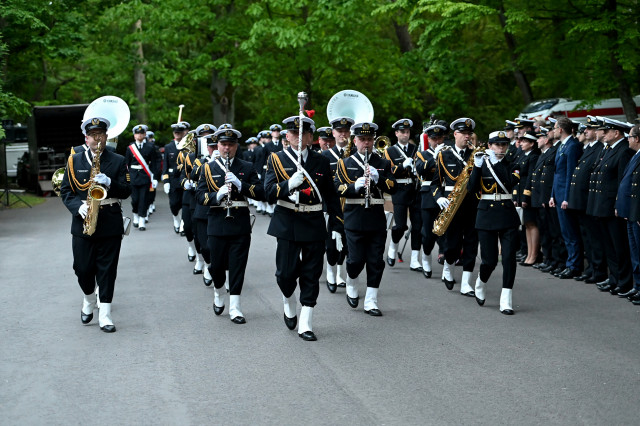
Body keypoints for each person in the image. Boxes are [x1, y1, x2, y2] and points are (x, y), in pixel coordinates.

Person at [264, 115, 343, 341]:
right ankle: (288, 300)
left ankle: (306, 322)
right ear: (287, 136)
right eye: (294, 134)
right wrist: (289, 184)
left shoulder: (320, 162)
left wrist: (337, 224)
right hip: (287, 221)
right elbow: (267, 192)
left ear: (310, 138)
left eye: (304, 134)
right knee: (285, 274)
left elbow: (331, 196)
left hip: (314, 222)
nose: (299, 138)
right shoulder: (277, 159)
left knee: (311, 273)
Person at [60, 117, 131, 332]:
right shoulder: (74, 161)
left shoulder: (118, 160)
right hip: (83, 221)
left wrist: (110, 183)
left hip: (109, 220)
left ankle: (106, 315)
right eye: (93, 135)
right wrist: (76, 207)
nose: (97, 138)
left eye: (101, 134)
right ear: (86, 138)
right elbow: (65, 191)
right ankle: (89, 298)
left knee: (107, 270)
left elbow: (127, 191)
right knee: (82, 269)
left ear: (106, 136)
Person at [196, 127, 265, 324]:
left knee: (237, 266)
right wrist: (216, 195)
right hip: (217, 221)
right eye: (224, 144)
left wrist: (240, 184)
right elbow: (200, 196)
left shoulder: (247, 166)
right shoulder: (208, 168)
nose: (227, 148)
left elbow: (260, 193)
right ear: (217, 145)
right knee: (217, 266)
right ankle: (219, 292)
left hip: (239, 222)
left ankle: (235, 307)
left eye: (231, 145)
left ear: (236, 146)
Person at [335, 122, 397, 315]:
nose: (367, 143)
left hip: (376, 218)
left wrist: (380, 180)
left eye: (370, 139)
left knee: (375, 261)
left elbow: (394, 187)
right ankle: (352, 282)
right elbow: (337, 187)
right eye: (362, 139)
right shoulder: (345, 163)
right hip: (354, 217)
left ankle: (371, 300)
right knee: (355, 260)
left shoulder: (382, 163)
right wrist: (354, 185)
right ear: (355, 141)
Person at [468, 131, 520, 314]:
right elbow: (471, 189)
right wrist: (476, 166)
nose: (501, 148)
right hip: (486, 214)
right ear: (489, 146)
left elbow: (508, 181)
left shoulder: (513, 163)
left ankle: (506, 299)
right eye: (497, 145)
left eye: (504, 145)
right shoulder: (482, 164)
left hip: (507, 214)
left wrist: (496, 163)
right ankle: (481, 283)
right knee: (489, 261)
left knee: (508, 259)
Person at [430, 118, 479, 296]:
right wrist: (439, 198)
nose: (467, 137)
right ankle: (448, 270)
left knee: (472, 244)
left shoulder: (476, 155)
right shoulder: (444, 154)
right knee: (452, 245)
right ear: (456, 134)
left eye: (469, 134)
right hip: (452, 205)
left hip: (472, 204)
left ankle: (466, 282)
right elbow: (435, 184)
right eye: (464, 134)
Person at [589, 118, 634, 295]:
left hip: (612, 207)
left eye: (606, 131)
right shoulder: (609, 149)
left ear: (617, 133)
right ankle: (615, 278)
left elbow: (623, 182)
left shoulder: (623, 151)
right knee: (610, 246)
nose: (604, 134)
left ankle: (624, 281)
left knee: (619, 246)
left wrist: (618, 204)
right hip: (602, 206)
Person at [567, 116, 607, 283]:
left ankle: (598, 270)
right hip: (582, 200)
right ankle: (591, 267)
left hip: (588, 199)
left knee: (594, 238)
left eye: (590, 129)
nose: (586, 131)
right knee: (587, 237)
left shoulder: (598, 148)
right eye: (587, 129)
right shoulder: (588, 148)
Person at [385, 119, 423, 271]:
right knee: (400, 226)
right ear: (396, 133)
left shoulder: (415, 149)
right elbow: (389, 171)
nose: (405, 134)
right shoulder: (390, 151)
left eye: (407, 132)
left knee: (417, 226)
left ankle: (415, 259)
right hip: (400, 190)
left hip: (414, 189)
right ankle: (393, 249)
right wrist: (402, 166)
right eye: (402, 132)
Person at [321, 120, 353, 291]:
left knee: (348, 243)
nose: (343, 134)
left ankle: (340, 273)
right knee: (332, 243)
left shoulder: (355, 154)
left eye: (346, 131)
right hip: (332, 205)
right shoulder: (325, 156)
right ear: (333, 133)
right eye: (339, 131)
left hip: (351, 204)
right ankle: (331, 273)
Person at [549, 117, 584, 279]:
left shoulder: (573, 146)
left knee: (571, 233)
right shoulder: (562, 146)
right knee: (565, 232)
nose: (554, 131)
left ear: (561, 129)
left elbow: (571, 174)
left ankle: (574, 265)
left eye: (555, 128)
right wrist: (552, 195)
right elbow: (557, 174)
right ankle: (570, 262)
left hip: (565, 197)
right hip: (558, 194)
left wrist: (567, 197)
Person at [182, 124, 216, 272]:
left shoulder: (221, 154)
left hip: (214, 199)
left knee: (212, 235)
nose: (206, 139)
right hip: (195, 198)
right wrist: (186, 183)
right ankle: (200, 258)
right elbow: (185, 176)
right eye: (203, 137)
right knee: (193, 230)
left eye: (209, 136)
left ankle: (211, 264)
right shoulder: (191, 156)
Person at [415, 123, 447, 278]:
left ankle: (445, 256)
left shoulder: (449, 153)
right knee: (428, 233)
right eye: (434, 139)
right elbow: (421, 170)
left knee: (446, 230)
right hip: (428, 195)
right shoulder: (423, 154)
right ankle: (426, 256)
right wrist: (435, 157)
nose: (437, 142)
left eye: (440, 138)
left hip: (446, 194)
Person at [615, 124, 640, 301]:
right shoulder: (635, 156)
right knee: (635, 252)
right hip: (631, 212)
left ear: (637, 138)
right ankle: (638, 285)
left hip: (637, 213)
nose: (628, 140)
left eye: (630, 137)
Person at [191, 133, 219, 286]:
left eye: (217, 146)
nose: (214, 149)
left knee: (220, 245)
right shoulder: (200, 162)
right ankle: (209, 264)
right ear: (207, 148)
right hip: (203, 209)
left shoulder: (228, 164)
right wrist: (210, 163)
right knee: (205, 246)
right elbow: (194, 175)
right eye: (212, 147)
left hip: (220, 209)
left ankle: (220, 271)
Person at [513, 131, 540, 266]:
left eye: (524, 141)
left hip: (528, 194)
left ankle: (533, 254)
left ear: (532, 143)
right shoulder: (523, 155)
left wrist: (525, 196)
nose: (521, 143)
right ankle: (529, 254)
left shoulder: (534, 156)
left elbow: (530, 177)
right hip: (520, 192)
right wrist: (515, 195)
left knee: (531, 224)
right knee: (526, 225)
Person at [125, 124, 157, 230]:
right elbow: (127, 164)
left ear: (144, 135)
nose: (139, 135)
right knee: (135, 200)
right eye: (137, 133)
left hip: (145, 176)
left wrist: (155, 177)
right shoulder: (130, 148)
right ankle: (135, 216)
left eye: (141, 133)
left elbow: (154, 163)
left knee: (144, 199)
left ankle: (142, 220)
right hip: (133, 176)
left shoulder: (150, 147)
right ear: (134, 136)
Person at [163, 121, 190, 233]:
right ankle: (176, 219)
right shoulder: (168, 147)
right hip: (173, 179)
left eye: (179, 132)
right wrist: (165, 181)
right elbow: (165, 165)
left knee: (185, 204)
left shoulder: (188, 146)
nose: (177, 134)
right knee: (174, 204)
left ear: (183, 133)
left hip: (185, 178)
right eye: (175, 132)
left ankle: (183, 224)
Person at [145, 130, 160, 217]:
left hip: (152, 171)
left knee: (152, 190)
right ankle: (147, 205)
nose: (149, 139)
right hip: (144, 171)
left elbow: (157, 161)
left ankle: (151, 203)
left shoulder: (154, 147)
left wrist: (156, 173)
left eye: (150, 138)